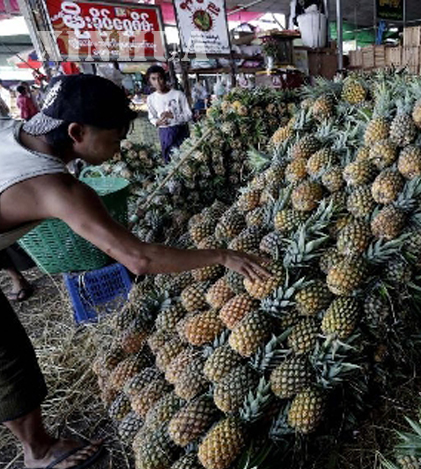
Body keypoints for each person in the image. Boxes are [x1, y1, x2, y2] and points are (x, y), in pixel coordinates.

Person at [0, 74, 269, 469]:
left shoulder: (11, 131)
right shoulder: (53, 188)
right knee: (9, 360)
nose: (120, 146)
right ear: (76, 132)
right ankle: (39, 454)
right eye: (115, 137)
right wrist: (222, 256)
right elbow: (139, 259)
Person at [146, 65, 192, 162]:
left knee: (185, 159)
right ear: (149, 81)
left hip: (181, 130)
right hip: (165, 132)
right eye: (153, 79)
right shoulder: (151, 98)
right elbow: (151, 117)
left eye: (160, 78)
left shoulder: (178, 95)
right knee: (169, 160)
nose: (157, 82)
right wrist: (157, 122)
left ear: (165, 78)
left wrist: (173, 117)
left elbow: (189, 115)